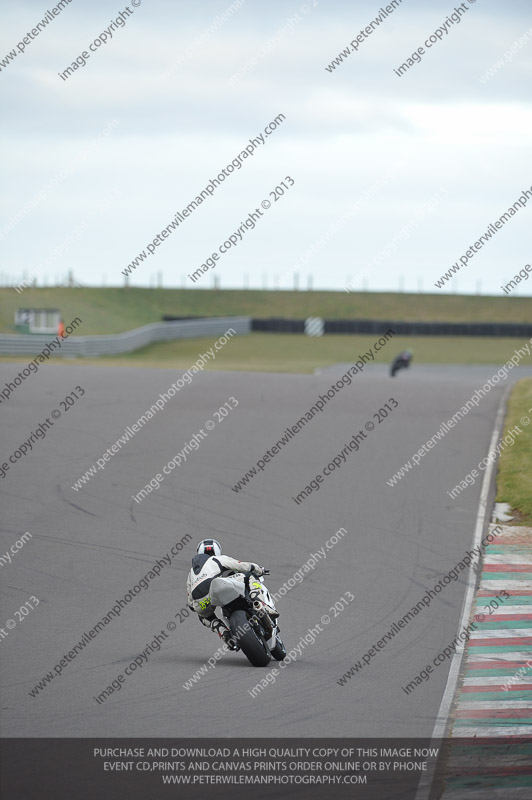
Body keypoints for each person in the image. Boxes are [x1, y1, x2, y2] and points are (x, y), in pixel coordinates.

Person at [186, 539, 268, 649]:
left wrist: (198, 606)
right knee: (249, 575)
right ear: (217, 550)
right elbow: (242, 566)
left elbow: (191, 604)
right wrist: (258, 569)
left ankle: (223, 632)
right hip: (216, 586)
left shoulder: (191, 573)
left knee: (203, 616)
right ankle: (259, 603)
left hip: (201, 600)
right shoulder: (217, 559)